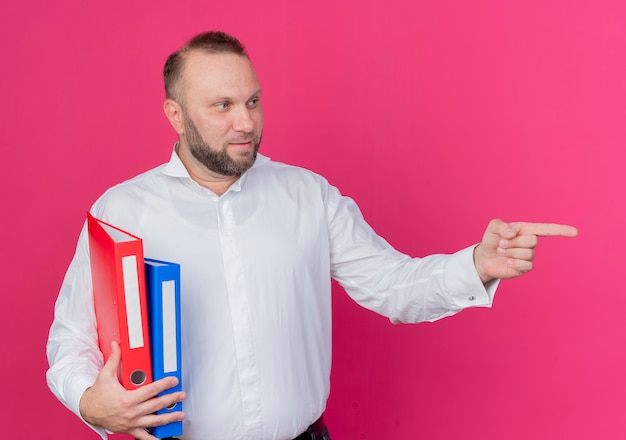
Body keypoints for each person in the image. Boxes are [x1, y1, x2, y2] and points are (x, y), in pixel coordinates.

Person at [46, 31, 577, 440]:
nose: (245, 123)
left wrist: (477, 265)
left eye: (252, 101)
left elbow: (392, 285)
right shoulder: (122, 210)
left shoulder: (309, 196)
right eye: (222, 106)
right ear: (176, 115)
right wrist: (89, 402)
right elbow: (70, 340)